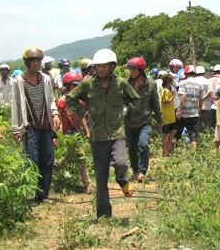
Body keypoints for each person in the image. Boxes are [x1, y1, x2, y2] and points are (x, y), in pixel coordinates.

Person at [66, 49, 140, 219]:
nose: (100, 69)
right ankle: (104, 215)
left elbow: (135, 100)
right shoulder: (87, 84)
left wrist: (126, 110)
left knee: (121, 163)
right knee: (101, 178)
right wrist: (84, 112)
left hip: (117, 133)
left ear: (112, 66)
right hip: (97, 136)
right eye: (98, 66)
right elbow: (70, 98)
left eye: (104, 66)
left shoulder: (121, 83)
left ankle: (122, 179)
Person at [11, 47, 61, 202]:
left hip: (45, 126)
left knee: (48, 160)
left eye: (38, 60)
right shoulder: (18, 82)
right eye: (33, 60)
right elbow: (15, 106)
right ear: (27, 62)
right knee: (32, 160)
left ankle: (43, 194)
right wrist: (16, 129)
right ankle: (33, 191)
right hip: (29, 127)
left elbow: (51, 98)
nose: (36, 64)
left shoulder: (45, 79)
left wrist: (55, 113)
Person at [125, 57, 162, 183]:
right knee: (131, 148)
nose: (130, 71)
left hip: (145, 121)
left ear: (140, 70)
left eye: (133, 69)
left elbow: (155, 103)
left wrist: (160, 120)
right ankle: (135, 171)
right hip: (129, 121)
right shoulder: (126, 84)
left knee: (143, 144)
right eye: (129, 68)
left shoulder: (151, 84)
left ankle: (142, 171)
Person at [56, 71, 91, 194]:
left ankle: (54, 169)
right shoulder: (62, 101)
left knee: (69, 157)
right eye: (73, 85)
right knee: (81, 157)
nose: (76, 88)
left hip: (77, 134)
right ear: (67, 86)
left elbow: (82, 118)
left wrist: (87, 132)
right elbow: (58, 117)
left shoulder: (80, 101)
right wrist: (55, 134)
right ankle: (87, 184)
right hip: (67, 134)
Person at [176, 65, 205, 149]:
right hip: (194, 112)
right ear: (194, 73)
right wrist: (199, 110)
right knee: (193, 133)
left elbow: (183, 96)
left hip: (184, 113)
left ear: (185, 73)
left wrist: (179, 110)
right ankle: (194, 152)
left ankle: (174, 150)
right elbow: (201, 99)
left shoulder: (182, 83)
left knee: (178, 131)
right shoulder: (200, 84)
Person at [160, 72, 177, 156]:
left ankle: (168, 147)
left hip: (171, 115)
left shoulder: (169, 89)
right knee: (165, 134)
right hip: (166, 116)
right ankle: (165, 151)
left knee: (173, 130)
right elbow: (166, 102)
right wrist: (173, 96)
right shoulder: (165, 91)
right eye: (170, 80)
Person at [195, 66, 212, 131]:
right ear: (204, 73)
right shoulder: (207, 81)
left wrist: (199, 99)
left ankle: (198, 135)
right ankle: (207, 134)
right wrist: (203, 98)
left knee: (197, 121)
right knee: (207, 121)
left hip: (195, 104)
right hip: (206, 105)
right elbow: (210, 91)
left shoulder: (193, 81)